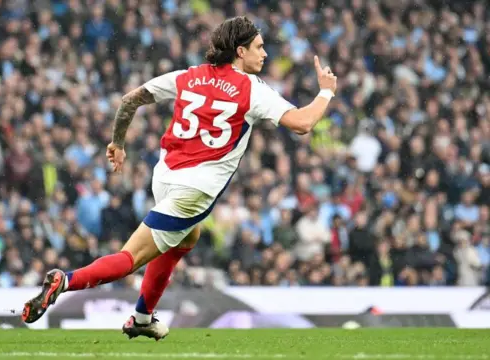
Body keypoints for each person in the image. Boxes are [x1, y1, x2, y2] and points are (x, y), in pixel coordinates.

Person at [21, 16, 337, 339]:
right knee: (129, 258)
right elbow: (303, 123)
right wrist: (325, 93)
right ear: (240, 52)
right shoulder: (252, 90)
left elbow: (130, 100)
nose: (265, 54)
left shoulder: (190, 76)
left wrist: (117, 142)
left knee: (188, 237)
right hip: (193, 191)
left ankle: (142, 319)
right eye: (259, 47)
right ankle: (66, 281)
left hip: (165, 178)